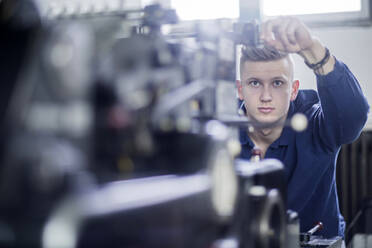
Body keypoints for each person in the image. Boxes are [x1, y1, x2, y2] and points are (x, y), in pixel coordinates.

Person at [236, 16, 369, 239]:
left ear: (294, 89)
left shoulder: (316, 125)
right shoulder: (220, 132)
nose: (266, 96)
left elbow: (353, 116)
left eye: (277, 83)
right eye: (255, 83)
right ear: (240, 89)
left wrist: (312, 49)